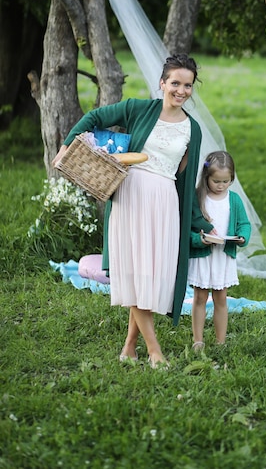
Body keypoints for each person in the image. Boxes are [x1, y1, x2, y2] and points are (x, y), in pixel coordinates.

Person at [52, 54, 212, 368]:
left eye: (188, 85)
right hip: (130, 195)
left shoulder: (192, 129)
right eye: (175, 83)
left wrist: (197, 223)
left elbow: (185, 178)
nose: (181, 90)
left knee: (150, 276)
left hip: (164, 201)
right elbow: (95, 117)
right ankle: (155, 352)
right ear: (162, 83)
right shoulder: (138, 108)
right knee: (135, 275)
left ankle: (129, 348)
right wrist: (66, 146)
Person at [188, 151, 251, 350]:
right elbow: (187, 230)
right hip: (203, 257)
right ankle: (198, 340)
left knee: (221, 297)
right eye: (216, 181)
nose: (221, 185)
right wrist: (200, 240)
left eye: (226, 181)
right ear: (206, 177)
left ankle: (220, 341)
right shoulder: (198, 198)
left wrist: (242, 237)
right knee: (199, 297)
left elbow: (244, 224)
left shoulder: (234, 200)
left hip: (223, 257)